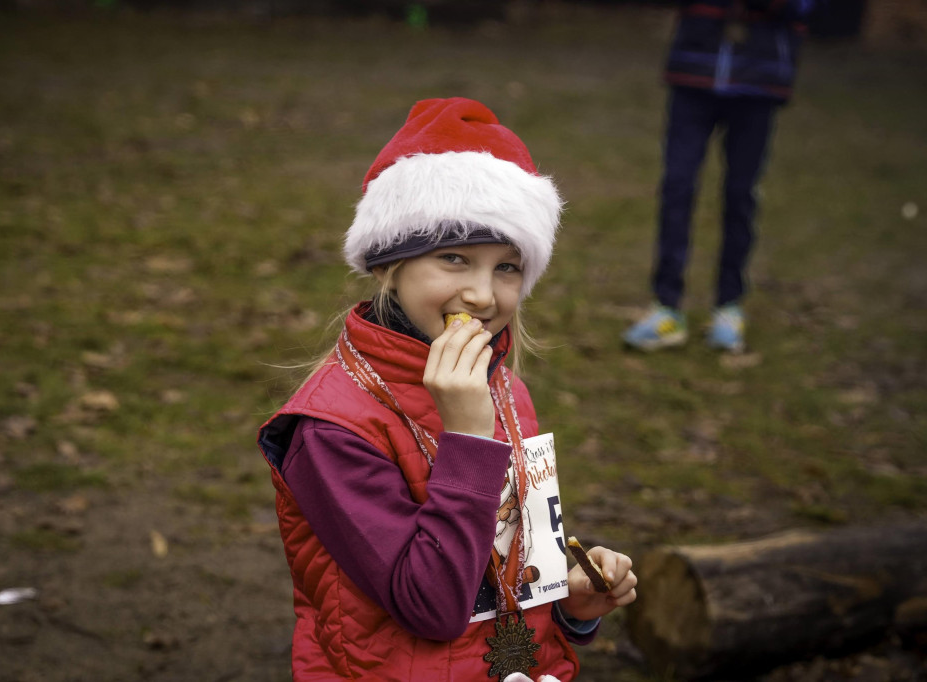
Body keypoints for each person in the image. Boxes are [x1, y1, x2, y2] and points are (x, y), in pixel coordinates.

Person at [257, 98, 637, 681]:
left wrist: (568, 604)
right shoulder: (333, 430)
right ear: (390, 266)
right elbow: (432, 608)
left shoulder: (508, 391)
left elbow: (507, 557)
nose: (483, 295)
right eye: (454, 259)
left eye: (507, 267)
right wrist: (466, 437)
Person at [623, 0, 817, 353]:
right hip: (694, 70)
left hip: (759, 77)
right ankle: (666, 307)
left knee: (741, 194)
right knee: (676, 188)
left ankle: (729, 307)